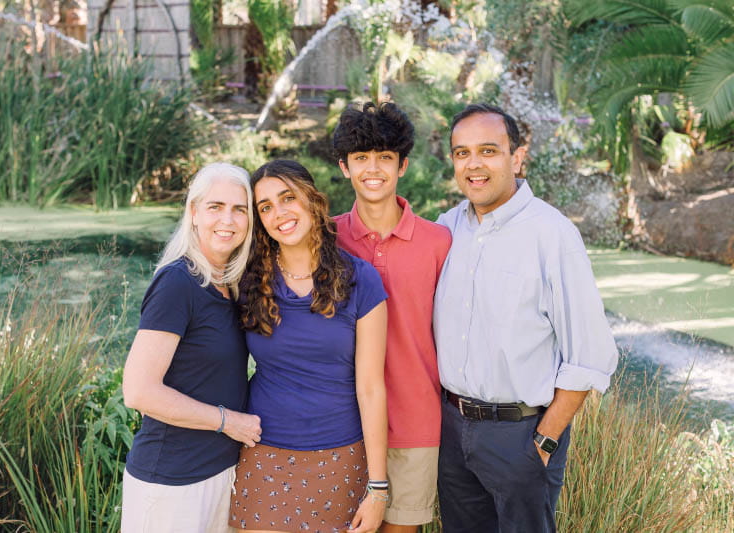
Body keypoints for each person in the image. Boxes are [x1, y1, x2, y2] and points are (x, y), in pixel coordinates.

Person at [433, 103, 618, 532]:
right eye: (462, 153)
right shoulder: (447, 228)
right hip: (452, 430)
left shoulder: (552, 235)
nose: (473, 164)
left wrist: (545, 439)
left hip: (520, 434)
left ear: (517, 157)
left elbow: (588, 355)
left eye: (488, 151)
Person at [230, 159, 389, 533]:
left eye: (288, 198)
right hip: (264, 452)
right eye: (265, 207)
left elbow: (370, 388)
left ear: (313, 200)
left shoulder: (360, 280)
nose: (279, 213)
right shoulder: (248, 282)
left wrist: (378, 487)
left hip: (341, 454)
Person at [121, 162, 263, 532]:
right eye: (215, 207)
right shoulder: (177, 283)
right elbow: (138, 391)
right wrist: (228, 421)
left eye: (239, 209)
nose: (227, 220)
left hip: (220, 473)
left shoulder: (230, 285)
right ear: (194, 213)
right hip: (171, 481)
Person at [331, 102, 452, 532]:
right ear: (344, 167)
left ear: (402, 164)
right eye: (361, 158)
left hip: (415, 423)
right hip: (340, 422)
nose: (373, 169)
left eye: (385, 157)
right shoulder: (324, 239)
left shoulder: (439, 242)